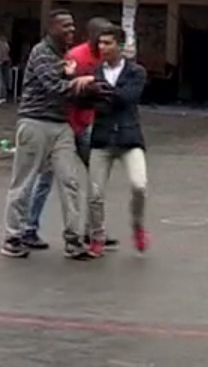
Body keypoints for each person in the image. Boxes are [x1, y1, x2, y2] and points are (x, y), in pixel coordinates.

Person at [1, 10, 96, 260]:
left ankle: (73, 239)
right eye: (65, 26)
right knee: (24, 182)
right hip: (35, 123)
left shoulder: (63, 56)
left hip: (61, 125)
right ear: (51, 28)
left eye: (73, 26)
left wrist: (77, 80)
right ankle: (13, 237)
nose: (71, 30)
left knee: (70, 181)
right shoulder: (41, 52)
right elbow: (54, 87)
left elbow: (67, 85)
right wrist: (80, 83)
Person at [86, 24, 150, 254]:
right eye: (100, 43)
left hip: (128, 137)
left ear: (120, 46)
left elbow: (128, 97)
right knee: (95, 194)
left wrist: (100, 92)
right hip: (102, 138)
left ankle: (137, 225)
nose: (103, 47)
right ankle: (97, 236)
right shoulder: (95, 72)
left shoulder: (136, 72)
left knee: (139, 185)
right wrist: (96, 93)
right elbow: (89, 101)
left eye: (108, 43)